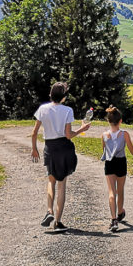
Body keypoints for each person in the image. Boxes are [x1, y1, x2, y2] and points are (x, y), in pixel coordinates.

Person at [31, 82, 90, 232]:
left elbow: (34, 132)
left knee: (51, 180)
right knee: (62, 184)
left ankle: (49, 210)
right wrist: (82, 129)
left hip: (49, 147)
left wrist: (34, 149)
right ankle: (58, 221)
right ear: (63, 97)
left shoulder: (43, 109)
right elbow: (68, 135)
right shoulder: (67, 110)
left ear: (51, 94)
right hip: (64, 147)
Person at [101, 106, 133, 232]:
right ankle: (120, 212)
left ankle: (113, 220)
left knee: (111, 192)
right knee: (120, 190)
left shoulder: (104, 135)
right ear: (120, 121)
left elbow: (104, 150)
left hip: (109, 163)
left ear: (108, 121)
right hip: (121, 162)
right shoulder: (124, 134)